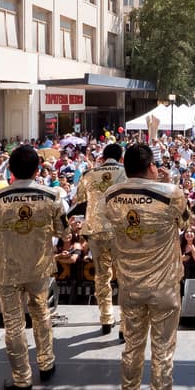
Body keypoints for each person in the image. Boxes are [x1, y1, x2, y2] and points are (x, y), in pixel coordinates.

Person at [102, 143, 188, 390]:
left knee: (132, 348)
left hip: (130, 286)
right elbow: (185, 221)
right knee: (162, 353)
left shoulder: (111, 196)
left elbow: (113, 224)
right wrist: (166, 183)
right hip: (163, 288)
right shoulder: (170, 194)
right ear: (151, 166)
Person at [0, 145, 65, 390]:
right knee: (41, 313)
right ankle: (46, 363)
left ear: (10, 171)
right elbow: (63, 231)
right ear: (38, 170)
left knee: (13, 323)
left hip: (6, 268)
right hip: (38, 266)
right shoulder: (52, 196)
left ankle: (22, 378)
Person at [69, 143, 128, 335]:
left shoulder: (89, 174)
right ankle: (125, 323)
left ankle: (106, 317)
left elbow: (79, 199)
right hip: (119, 231)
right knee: (124, 276)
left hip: (95, 229)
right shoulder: (126, 172)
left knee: (102, 275)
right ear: (121, 157)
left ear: (103, 157)